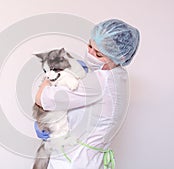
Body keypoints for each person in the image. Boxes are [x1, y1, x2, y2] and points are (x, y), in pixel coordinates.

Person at [34, 19, 140, 169]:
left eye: (98, 54)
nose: (90, 53)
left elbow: (42, 98)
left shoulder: (99, 83)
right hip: (87, 160)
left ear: (119, 58)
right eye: (90, 45)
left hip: (75, 162)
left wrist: (48, 76)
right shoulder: (119, 75)